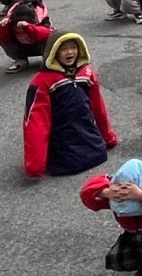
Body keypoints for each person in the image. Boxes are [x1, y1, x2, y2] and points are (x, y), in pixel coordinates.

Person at [23, 33, 118, 180]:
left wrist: (108, 138)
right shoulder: (42, 81)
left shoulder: (86, 73)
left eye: (73, 47)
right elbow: (36, 123)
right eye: (64, 49)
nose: (70, 52)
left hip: (92, 143)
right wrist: (35, 165)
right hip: (63, 149)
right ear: (53, 52)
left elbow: (98, 109)